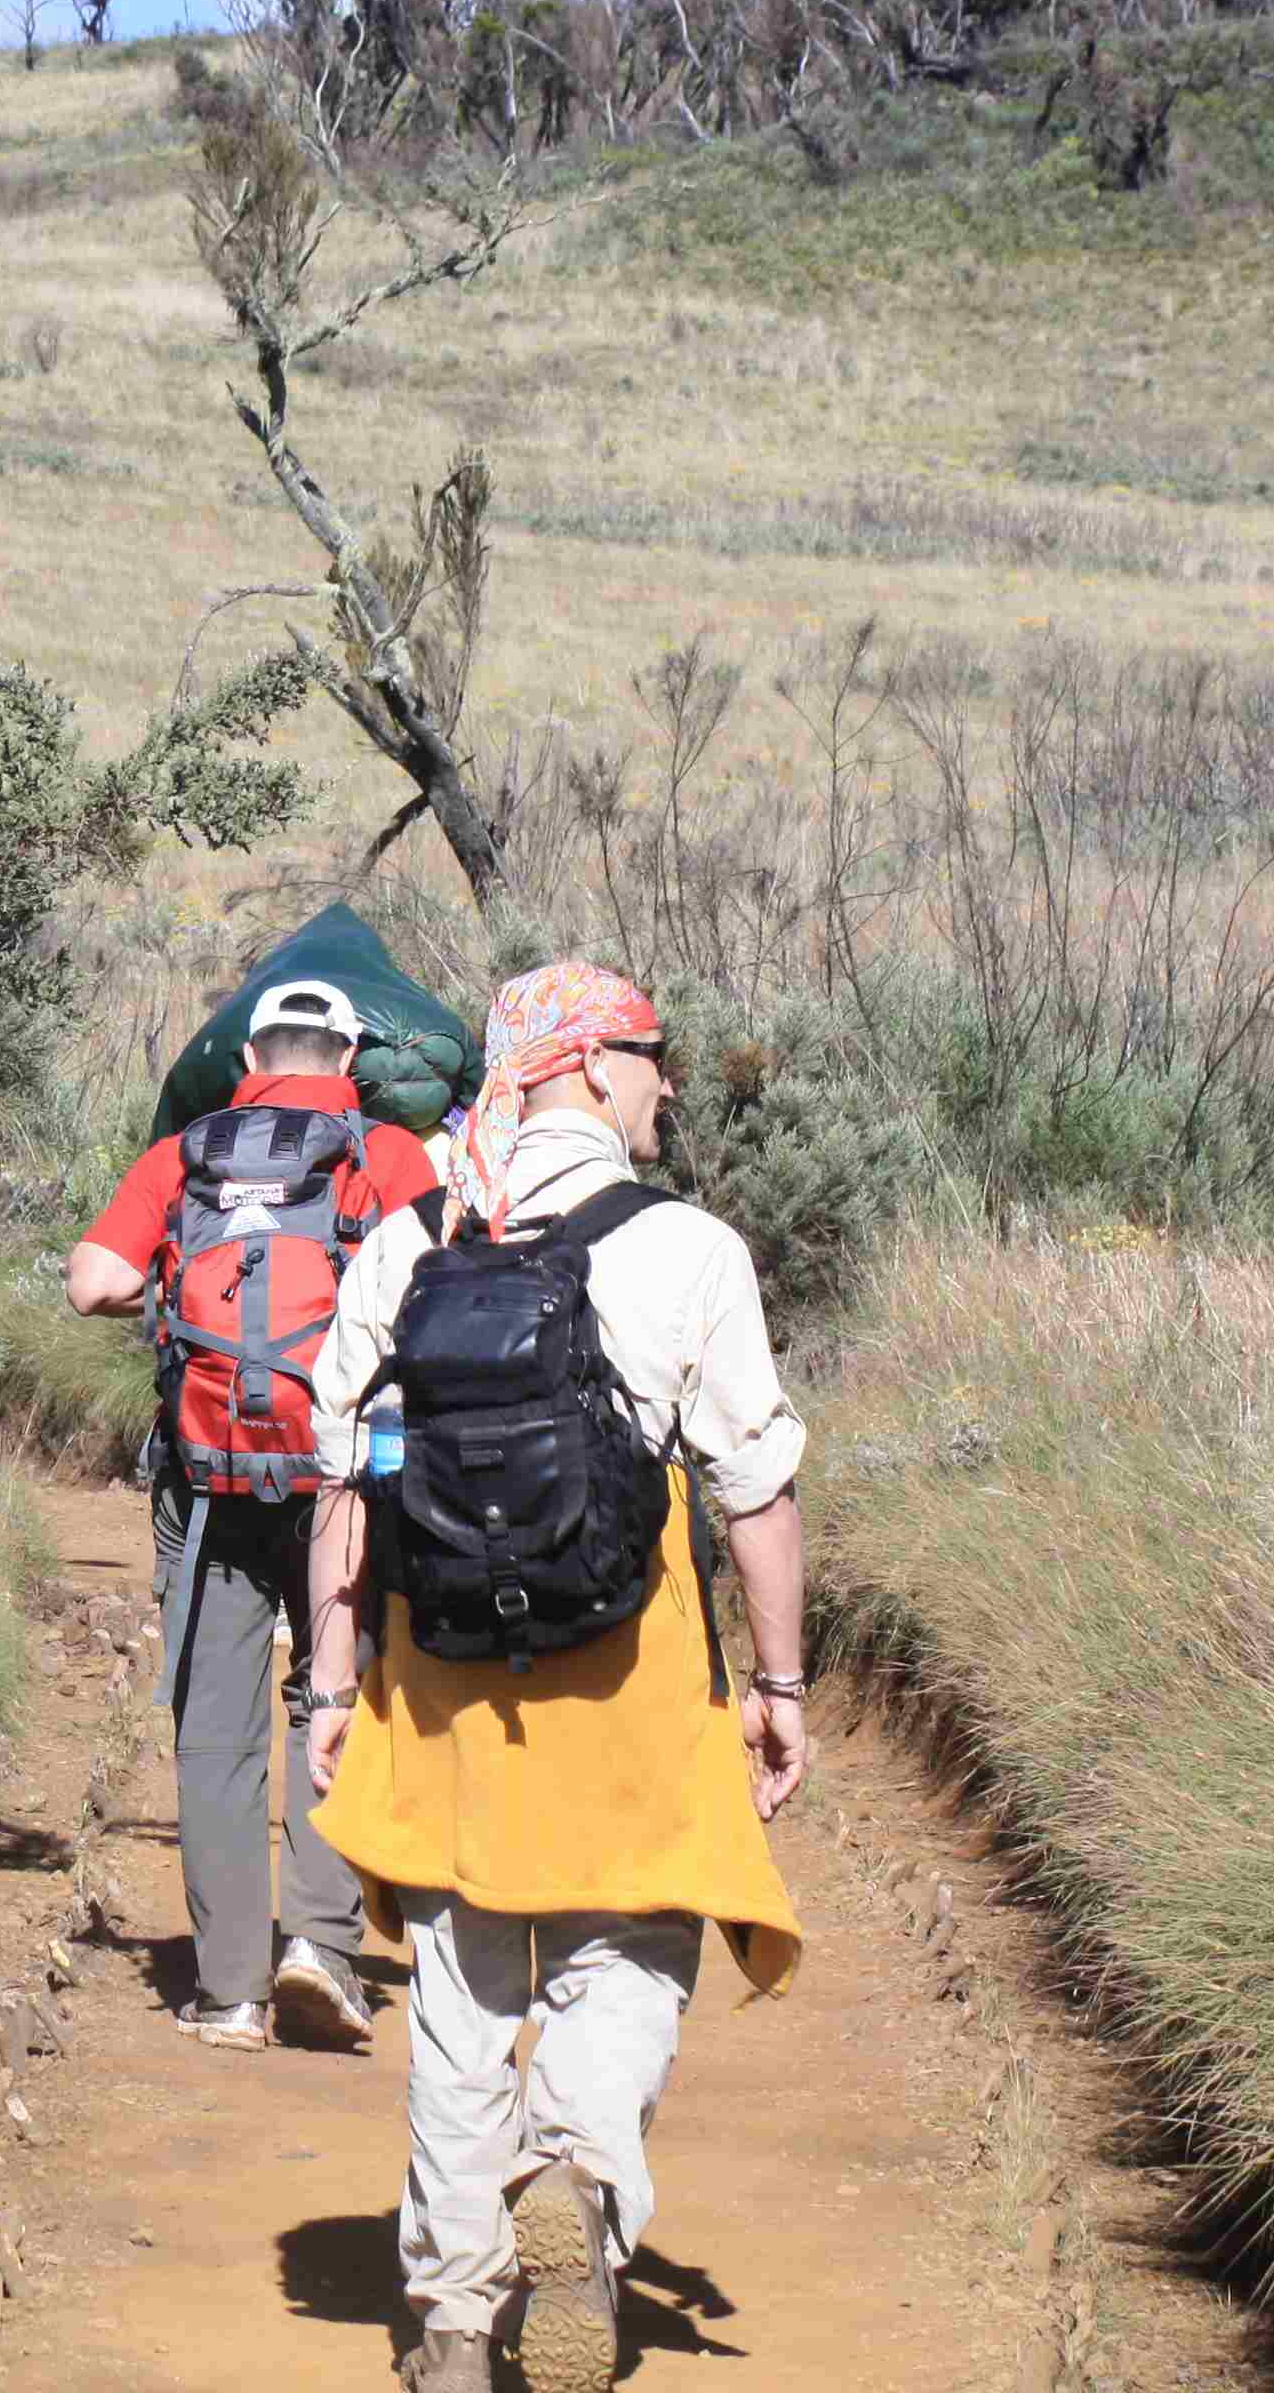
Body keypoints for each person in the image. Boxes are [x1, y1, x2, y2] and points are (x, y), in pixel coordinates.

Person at [299, 960, 810, 2393]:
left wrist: (330, 1692)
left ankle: (455, 2320)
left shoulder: (410, 1243)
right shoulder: (688, 1248)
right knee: (631, 1952)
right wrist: (782, 1688)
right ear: (585, 1065)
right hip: (631, 1678)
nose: (666, 1079)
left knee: (461, 1999)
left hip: (442, 1683)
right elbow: (754, 1489)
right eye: (651, 1051)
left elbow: (341, 1485)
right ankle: (578, 2165)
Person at [65, 978, 446, 2050]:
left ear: (248, 1057)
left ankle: (229, 1988)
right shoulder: (389, 1156)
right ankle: (320, 1945)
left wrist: (169, 1292)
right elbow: (443, 1288)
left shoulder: (183, 1156)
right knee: (333, 1697)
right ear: (351, 1058)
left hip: (209, 1474)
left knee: (215, 1727)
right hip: (347, 1485)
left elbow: (90, 1281)